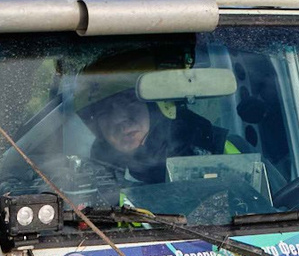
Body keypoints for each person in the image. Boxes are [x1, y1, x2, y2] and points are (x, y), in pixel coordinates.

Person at [73, 48, 232, 187]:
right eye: (104, 111)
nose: (118, 119)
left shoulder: (219, 152)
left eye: (130, 101)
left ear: (158, 106)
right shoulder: (90, 176)